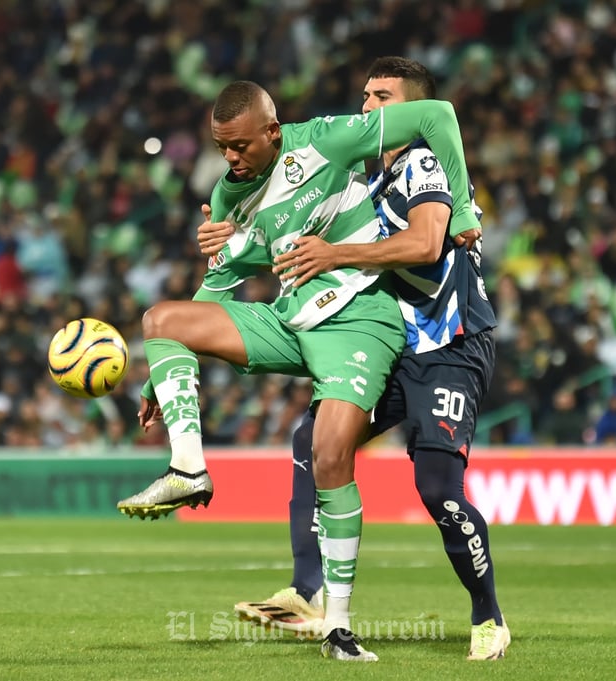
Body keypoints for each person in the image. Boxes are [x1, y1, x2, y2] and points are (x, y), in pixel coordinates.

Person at [115, 79, 479, 662]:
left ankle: (338, 628)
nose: (231, 159)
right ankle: (188, 468)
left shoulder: (327, 141)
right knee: (162, 319)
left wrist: (459, 205)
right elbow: (217, 287)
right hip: (290, 319)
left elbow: (437, 114)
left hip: (359, 320)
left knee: (330, 454)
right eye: (220, 148)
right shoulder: (228, 197)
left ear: (272, 132)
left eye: (240, 147)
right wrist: (161, 374)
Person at [197, 58, 508, 661]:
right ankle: (307, 591)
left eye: (382, 97)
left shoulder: (421, 163)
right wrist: (232, 242)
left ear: (410, 109)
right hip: (394, 340)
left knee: (439, 489)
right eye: (365, 95)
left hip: (447, 346)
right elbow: (293, 242)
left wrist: (335, 253)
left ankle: (487, 615)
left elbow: (423, 244)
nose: (367, 107)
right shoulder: (367, 178)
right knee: (315, 441)